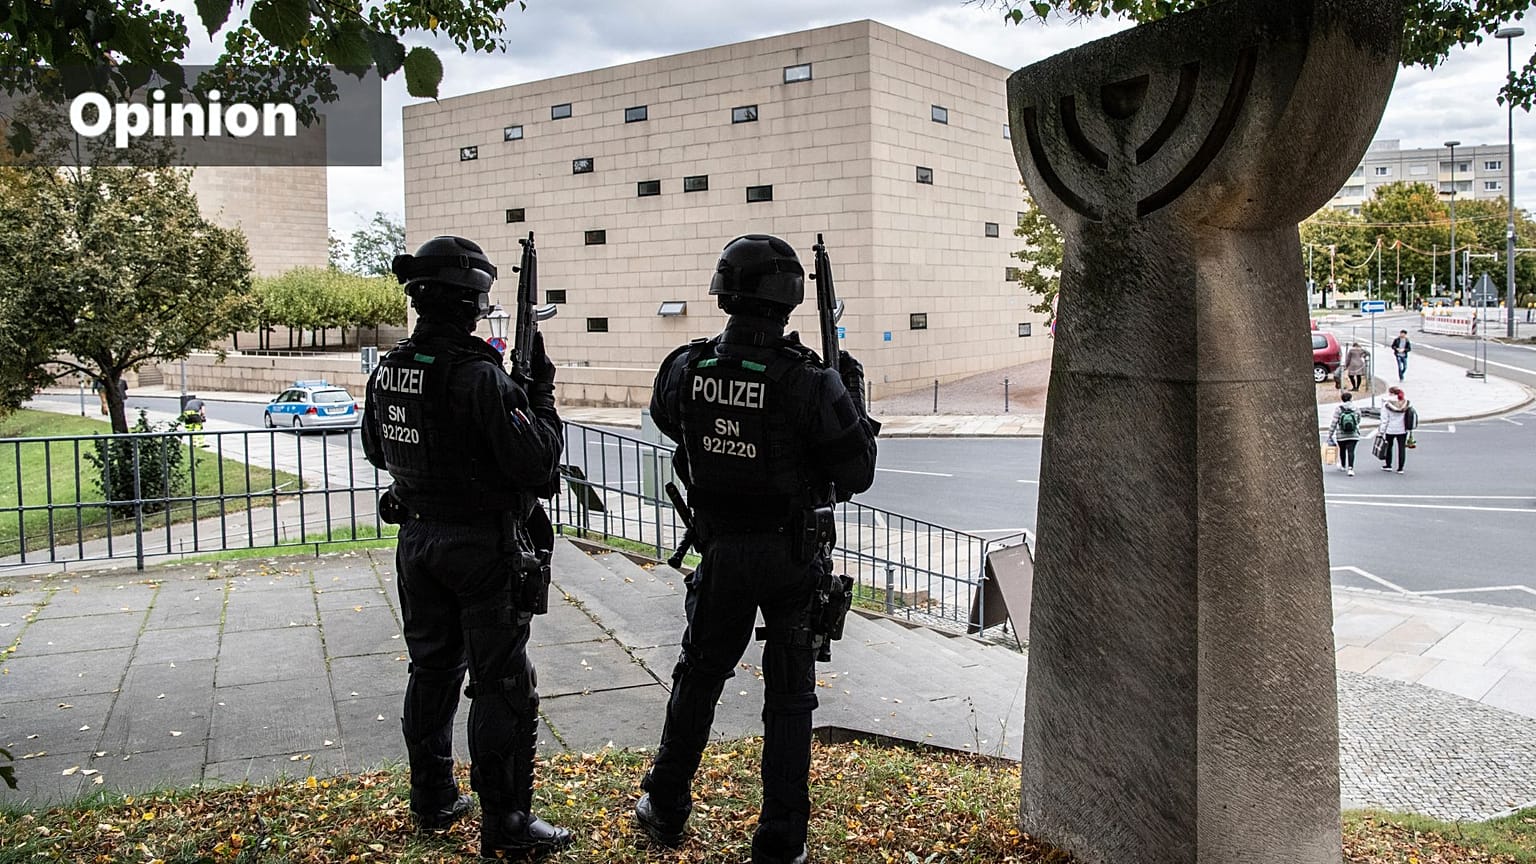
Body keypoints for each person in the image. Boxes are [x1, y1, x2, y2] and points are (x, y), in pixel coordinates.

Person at [634, 234, 880, 864]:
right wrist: (853, 398)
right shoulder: (810, 381)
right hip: (790, 556)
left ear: (725, 294)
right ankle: (781, 840)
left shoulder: (685, 367)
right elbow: (856, 472)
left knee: (698, 677)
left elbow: (670, 419)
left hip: (720, 551)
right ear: (790, 300)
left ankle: (665, 803)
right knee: (790, 697)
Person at [361, 235, 572, 859]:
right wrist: (538, 395)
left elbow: (376, 449)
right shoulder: (479, 375)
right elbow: (538, 463)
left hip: (418, 538)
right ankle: (507, 823)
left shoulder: (391, 367)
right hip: (480, 547)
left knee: (432, 670)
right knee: (502, 684)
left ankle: (432, 797)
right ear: (472, 302)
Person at [1327, 392, 1363, 476]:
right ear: (1351, 398)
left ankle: (1343, 465)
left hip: (1341, 434)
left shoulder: (1339, 409)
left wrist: (1330, 433)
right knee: (1351, 451)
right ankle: (1350, 468)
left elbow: (1334, 422)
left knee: (1342, 450)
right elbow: (1358, 420)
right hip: (1353, 434)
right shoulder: (1356, 408)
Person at [1378, 385, 1411, 473]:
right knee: (1401, 448)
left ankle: (1388, 465)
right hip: (1402, 429)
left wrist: (1381, 432)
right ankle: (1400, 468)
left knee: (1389, 447)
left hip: (1390, 429)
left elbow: (1384, 420)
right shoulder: (1405, 402)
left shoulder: (1386, 404)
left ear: (1391, 393)